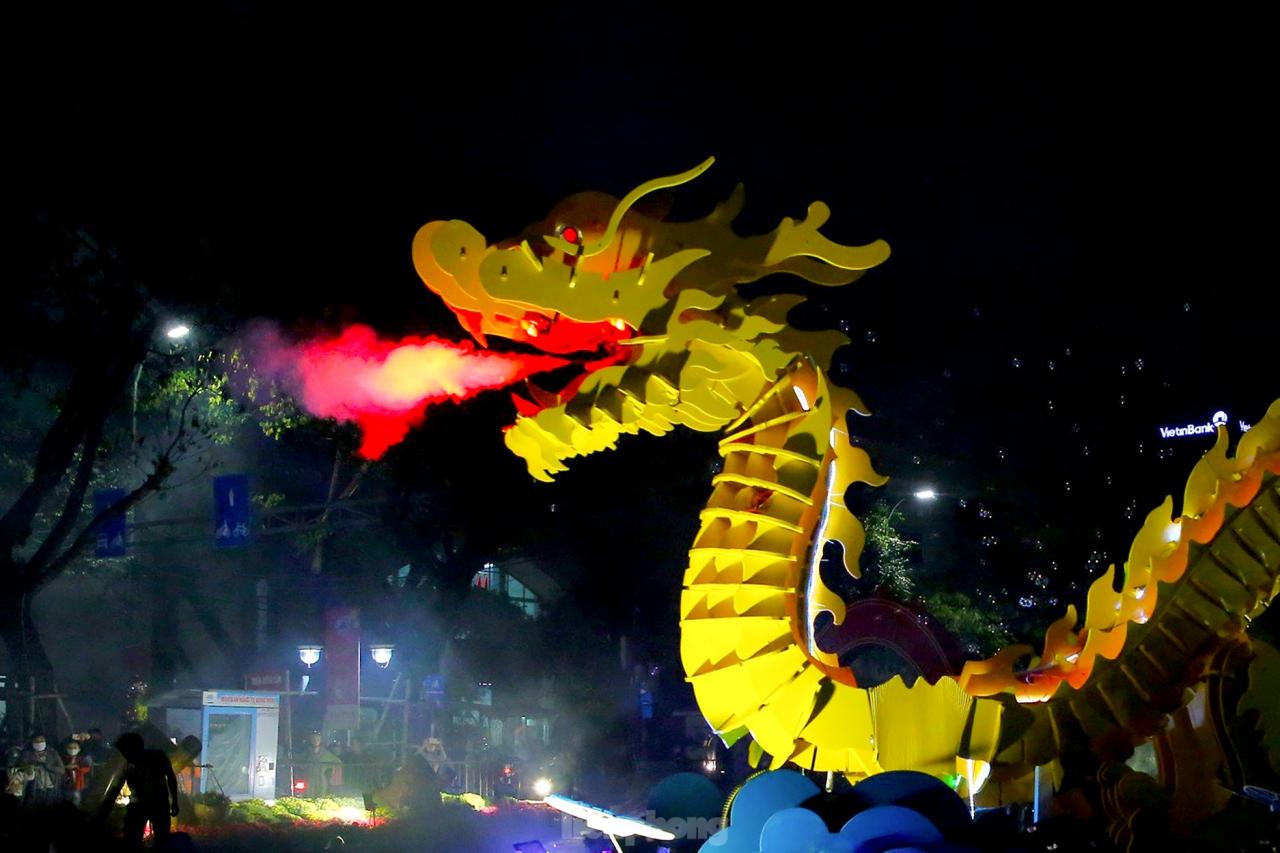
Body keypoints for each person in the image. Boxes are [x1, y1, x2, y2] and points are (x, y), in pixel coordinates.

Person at [102, 732, 179, 851]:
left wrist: (175, 801)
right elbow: (115, 788)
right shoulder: (130, 763)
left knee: (159, 840)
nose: (124, 754)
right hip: (147, 804)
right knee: (135, 840)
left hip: (154, 804)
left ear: (134, 748)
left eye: (125, 750)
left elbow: (171, 777)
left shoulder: (156, 757)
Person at [296, 731, 342, 797]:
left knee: (321, 796)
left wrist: (330, 773)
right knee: (309, 795)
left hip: (321, 779)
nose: (315, 741)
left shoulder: (325, 753)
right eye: (314, 739)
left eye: (317, 739)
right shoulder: (307, 753)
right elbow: (298, 761)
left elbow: (337, 762)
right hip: (309, 778)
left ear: (320, 740)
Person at [26, 733, 65, 807]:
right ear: (32, 742)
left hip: (51, 787)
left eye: (41, 740)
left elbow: (62, 770)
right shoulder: (27, 754)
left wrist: (48, 766)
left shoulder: (53, 753)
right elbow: (22, 767)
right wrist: (31, 767)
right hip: (35, 787)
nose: (39, 743)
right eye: (36, 741)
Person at [63, 737, 93, 804]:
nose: (72, 749)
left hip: (79, 784)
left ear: (79, 749)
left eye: (74, 747)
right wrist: (65, 767)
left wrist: (77, 767)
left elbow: (87, 769)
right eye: (70, 747)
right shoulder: (63, 758)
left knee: (77, 800)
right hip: (67, 785)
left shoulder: (82, 758)